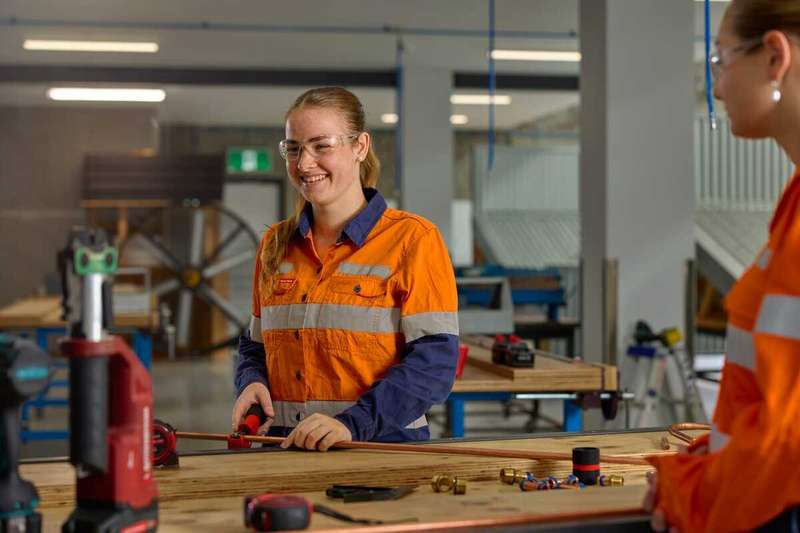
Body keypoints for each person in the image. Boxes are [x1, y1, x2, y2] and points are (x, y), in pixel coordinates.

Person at [231, 86, 459, 451]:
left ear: (360, 147)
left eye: (322, 146)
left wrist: (353, 425)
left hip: (378, 453)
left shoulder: (413, 240)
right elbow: (254, 345)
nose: (304, 164)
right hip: (283, 451)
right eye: (294, 148)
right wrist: (251, 381)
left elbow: (434, 365)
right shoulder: (275, 244)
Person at [645, 1, 800, 531]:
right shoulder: (792, 203)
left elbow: (788, 449)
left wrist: (687, 492)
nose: (716, 88)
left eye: (720, 62)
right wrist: (711, 456)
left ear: (774, 56)